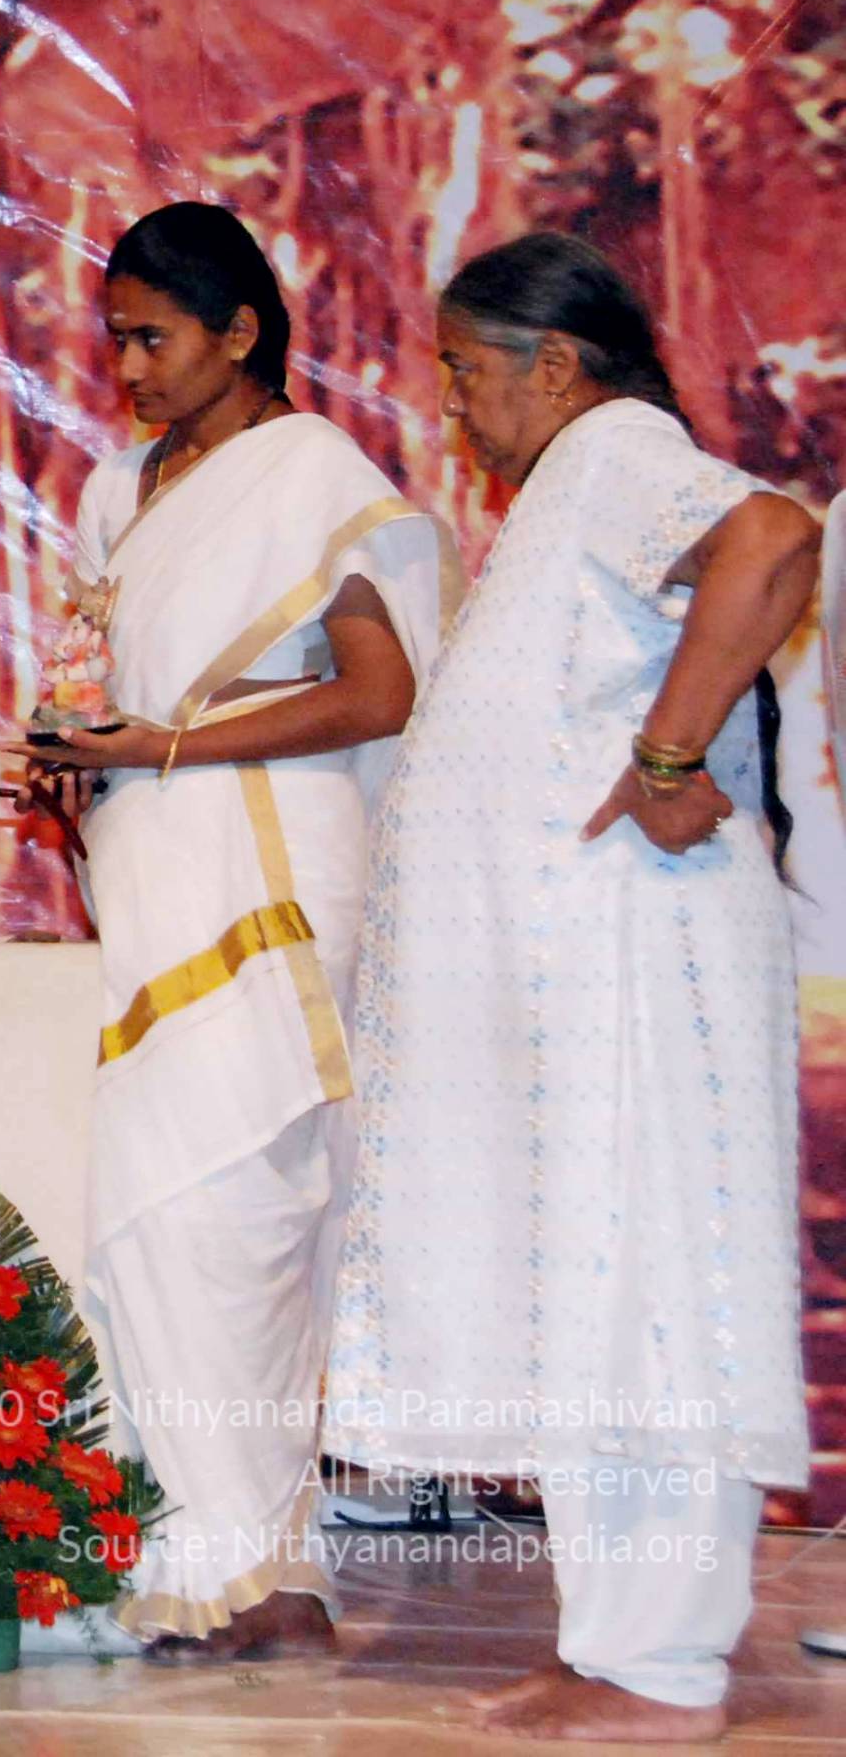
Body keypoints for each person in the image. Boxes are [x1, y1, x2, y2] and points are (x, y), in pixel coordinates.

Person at [325, 232, 816, 1743]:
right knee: (600, 1298)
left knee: (649, 1295)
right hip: (592, 973)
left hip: (637, 961)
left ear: (552, 363)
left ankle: (657, 1669)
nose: (452, 405)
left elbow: (771, 537)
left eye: (463, 370)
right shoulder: (573, 487)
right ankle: (615, 1649)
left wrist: (665, 756)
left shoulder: (611, 451)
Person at [18, 203, 446, 1662]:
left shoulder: (312, 471)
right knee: (155, 1218)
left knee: (243, 1214)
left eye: (153, 337)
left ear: (240, 330)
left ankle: (264, 1572)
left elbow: (377, 693)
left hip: (269, 863)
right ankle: (216, 1562)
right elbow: (98, 673)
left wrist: (162, 748)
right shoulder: (118, 488)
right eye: (116, 340)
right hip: (151, 862)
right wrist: (78, 754)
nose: (129, 367)